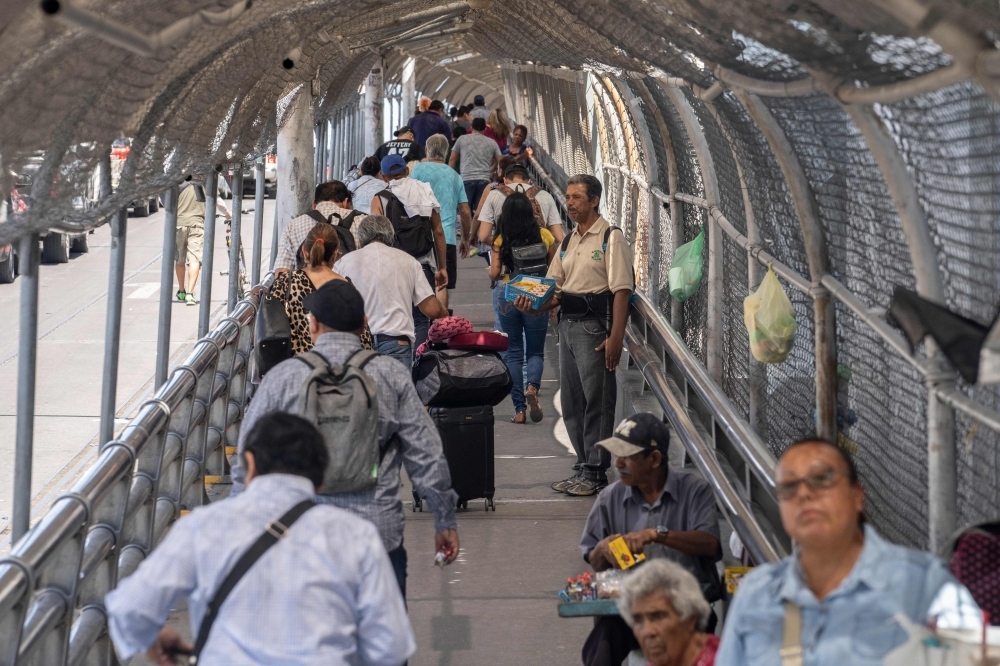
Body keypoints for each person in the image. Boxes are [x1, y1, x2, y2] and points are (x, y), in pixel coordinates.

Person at [106, 411, 415, 666]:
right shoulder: (356, 536)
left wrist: (152, 637)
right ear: (320, 480)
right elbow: (391, 647)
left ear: (250, 464)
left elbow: (130, 609)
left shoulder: (203, 528)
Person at [234, 280, 460, 600]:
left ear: (312, 325)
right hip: (376, 536)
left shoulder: (284, 378)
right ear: (364, 324)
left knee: (313, 644)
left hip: (304, 538)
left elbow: (247, 459)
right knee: (384, 646)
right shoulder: (389, 374)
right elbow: (426, 452)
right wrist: (444, 519)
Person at [717, 438, 983, 665]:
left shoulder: (926, 584)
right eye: (788, 487)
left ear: (857, 495)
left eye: (821, 479)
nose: (804, 494)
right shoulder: (756, 593)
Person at [514, 174, 633, 496]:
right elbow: (554, 290)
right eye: (567, 197)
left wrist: (616, 338)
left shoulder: (610, 238)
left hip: (595, 327)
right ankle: (582, 465)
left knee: (598, 400)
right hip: (566, 327)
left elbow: (621, 290)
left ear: (594, 200)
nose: (569, 203)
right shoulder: (568, 241)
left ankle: (595, 470)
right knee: (572, 402)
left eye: (576, 197)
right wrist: (532, 306)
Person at [578, 413, 722, 666]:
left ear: (654, 459)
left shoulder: (695, 490)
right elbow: (594, 560)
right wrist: (602, 549)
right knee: (602, 642)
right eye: (616, 455)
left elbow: (710, 544)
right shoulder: (609, 497)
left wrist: (657, 535)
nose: (618, 463)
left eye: (627, 456)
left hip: (684, 607)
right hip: (631, 608)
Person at [335, 215, 448, 368]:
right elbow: (432, 310)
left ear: (360, 241)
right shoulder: (409, 261)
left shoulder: (343, 263)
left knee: (360, 392)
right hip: (396, 344)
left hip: (356, 344)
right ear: (391, 238)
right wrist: (443, 311)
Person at [489, 192, 556, 424]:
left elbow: (494, 273)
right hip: (537, 294)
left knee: (514, 352)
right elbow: (554, 270)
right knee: (535, 351)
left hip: (508, 295)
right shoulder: (545, 235)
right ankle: (532, 388)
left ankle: (519, 410)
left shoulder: (500, 238)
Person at [370, 154, 449, 348]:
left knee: (395, 317)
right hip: (423, 264)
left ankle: (400, 358)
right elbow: (438, 232)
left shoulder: (380, 199)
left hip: (393, 266)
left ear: (383, 176)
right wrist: (442, 267)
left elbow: (376, 239)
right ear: (407, 170)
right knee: (421, 319)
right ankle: (418, 362)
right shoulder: (424, 191)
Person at [271, 223, 373, 354]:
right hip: (337, 370)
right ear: (335, 254)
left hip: (295, 369)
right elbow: (363, 340)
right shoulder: (346, 288)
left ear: (304, 251)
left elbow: (270, 325)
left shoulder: (286, 282)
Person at [410, 134, 472, 310]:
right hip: (447, 237)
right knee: (441, 282)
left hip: (420, 235)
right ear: (446, 152)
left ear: (427, 150)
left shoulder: (418, 170)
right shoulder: (455, 176)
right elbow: (465, 211)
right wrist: (465, 239)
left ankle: (423, 322)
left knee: (419, 279)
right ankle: (441, 328)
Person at [617, 560, 719, 666]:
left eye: (658, 617)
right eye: (638, 620)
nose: (647, 632)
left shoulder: (724, 660)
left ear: (691, 619)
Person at [276, 181, 359, 272]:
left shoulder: (292, 226)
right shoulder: (361, 221)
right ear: (345, 202)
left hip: (304, 284)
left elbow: (281, 271)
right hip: (349, 285)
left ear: (314, 204)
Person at [476, 162, 565, 247]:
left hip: (507, 258)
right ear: (529, 181)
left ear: (505, 180)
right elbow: (558, 236)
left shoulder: (493, 194)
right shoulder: (545, 195)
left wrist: (504, 246)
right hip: (539, 257)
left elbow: (484, 236)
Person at [175, 179, 231, 306]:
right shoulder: (207, 181)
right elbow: (218, 202)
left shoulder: (179, 180)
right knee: (195, 259)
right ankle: (190, 293)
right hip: (197, 225)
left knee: (179, 259)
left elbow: (164, 200)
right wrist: (227, 214)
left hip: (178, 224)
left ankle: (181, 290)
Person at [450, 117, 501, 226]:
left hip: (466, 179)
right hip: (484, 180)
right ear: (485, 129)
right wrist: (493, 170)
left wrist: (450, 176)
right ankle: (475, 234)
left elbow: (453, 159)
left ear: (471, 127)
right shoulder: (492, 143)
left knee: (463, 209)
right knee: (480, 211)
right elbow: (500, 162)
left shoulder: (462, 139)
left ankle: (465, 232)